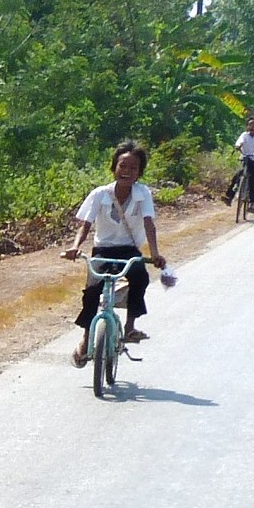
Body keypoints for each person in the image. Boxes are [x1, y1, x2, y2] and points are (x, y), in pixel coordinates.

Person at [63, 139, 168, 361]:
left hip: (129, 250)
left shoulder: (143, 193)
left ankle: (130, 326)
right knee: (92, 289)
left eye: (133, 168)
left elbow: (149, 224)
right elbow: (85, 225)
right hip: (103, 250)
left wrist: (155, 253)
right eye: (122, 166)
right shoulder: (99, 194)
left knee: (140, 277)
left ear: (139, 173)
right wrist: (74, 247)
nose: (127, 171)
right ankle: (86, 337)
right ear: (114, 167)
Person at [226, 115, 254, 207]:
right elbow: (239, 142)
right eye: (250, 125)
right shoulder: (244, 135)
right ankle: (230, 197)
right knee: (237, 176)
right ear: (247, 126)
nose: (251, 127)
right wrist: (238, 146)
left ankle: (252, 201)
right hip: (245, 159)